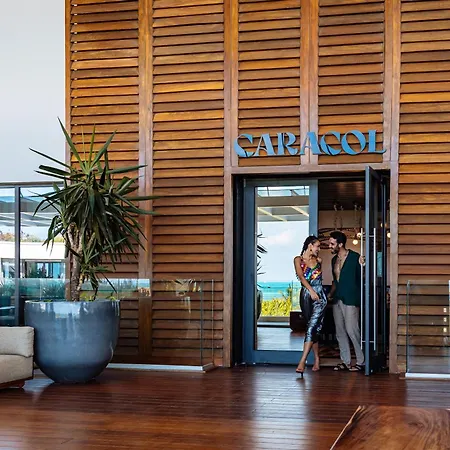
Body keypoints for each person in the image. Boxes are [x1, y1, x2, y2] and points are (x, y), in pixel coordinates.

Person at [328, 231, 365, 372]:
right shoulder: (333, 260)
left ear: (340, 244)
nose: (330, 246)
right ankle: (345, 361)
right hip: (337, 298)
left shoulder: (355, 257)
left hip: (351, 299)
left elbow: (362, 278)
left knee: (352, 330)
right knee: (340, 331)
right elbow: (335, 281)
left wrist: (364, 264)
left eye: (332, 244)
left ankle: (361, 361)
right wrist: (330, 295)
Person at [293, 235, 328, 377]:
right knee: (312, 328)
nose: (319, 249)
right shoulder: (298, 260)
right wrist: (311, 291)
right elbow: (301, 277)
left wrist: (316, 292)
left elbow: (319, 280)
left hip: (319, 297)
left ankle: (302, 361)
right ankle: (317, 359)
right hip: (306, 296)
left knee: (311, 328)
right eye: (317, 246)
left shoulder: (319, 261)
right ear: (310, 246)